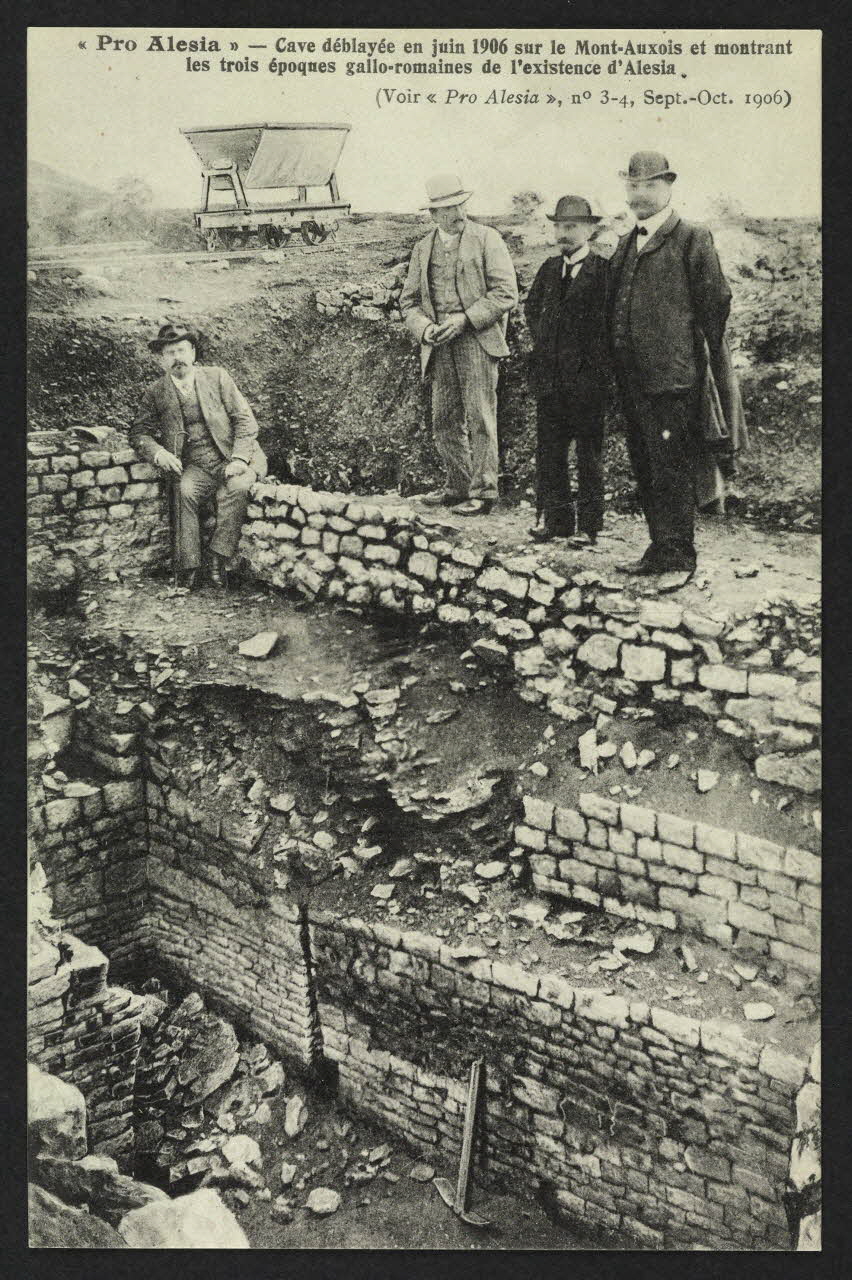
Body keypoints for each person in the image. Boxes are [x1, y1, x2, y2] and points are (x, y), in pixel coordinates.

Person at [607, 151, 745, 577]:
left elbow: (715, 302)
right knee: (646, 464)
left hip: (672, 379)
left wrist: (689, 354)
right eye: (633, 185)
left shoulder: (691, 237)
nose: (638, 193)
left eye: (649, 185)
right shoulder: (626, 243)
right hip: (633, 379)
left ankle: (679, 553)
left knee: (670, 466)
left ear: (668, 187)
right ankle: (658, 548)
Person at [400, 173, 518, 515]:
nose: (458, 213)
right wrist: (425, 329)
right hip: (439, 346)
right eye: (448, 209)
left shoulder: (487, 239)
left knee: (480, 416)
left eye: (460, 205)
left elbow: (506, 292)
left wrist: (465, 319)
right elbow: (409, 302)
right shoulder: (423, 249)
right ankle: (458, 486)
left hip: (477, 341)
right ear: (433, 214)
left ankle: (484, 492)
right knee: (444, 419)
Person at [130, 324, 267, 589]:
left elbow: (245, 420)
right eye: (170, 353)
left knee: (238, 487)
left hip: (233, 456)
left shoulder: (217, 377)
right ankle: (189, 567)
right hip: (196, 465)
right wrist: (159, 453)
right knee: (185, 491)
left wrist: (239, 459)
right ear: (162, 359)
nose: (177, 358)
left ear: (192, 352)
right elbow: (139, 432)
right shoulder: (156, 392)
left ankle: (217, 558)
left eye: (181, 350)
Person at [524, 194, 610, 545]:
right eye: (559, 226)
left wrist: (588, 363)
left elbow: (607, 327)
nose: (563, 233)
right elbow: (532, 310)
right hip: (550, 382)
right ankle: (557, 522)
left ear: (589, 230)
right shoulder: (549, 269)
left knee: (589, 456)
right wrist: (549, 347)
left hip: (588, 384)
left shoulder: (603, 272)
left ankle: (589, 527)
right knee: (550, 454)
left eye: (571, 226)